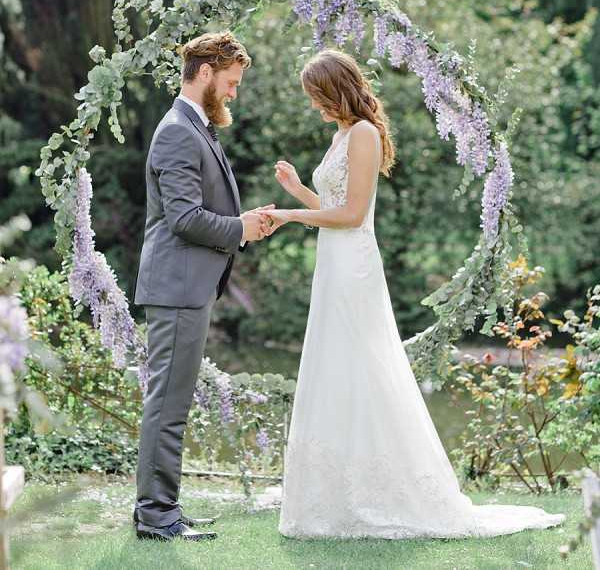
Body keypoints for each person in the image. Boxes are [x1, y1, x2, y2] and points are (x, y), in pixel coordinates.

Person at [262, 48, 566, 540]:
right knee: (336, 366)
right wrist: (298, 191)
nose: (314, 105)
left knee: (364, 365)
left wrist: (289, 216)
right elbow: (333, 208)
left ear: (336, 88)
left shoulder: (362, 134)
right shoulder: (341, 133)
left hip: (354, 266)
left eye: (317, 95)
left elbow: (353, 216)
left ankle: (387, 489)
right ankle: (337, 494)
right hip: (333, 264)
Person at [133, 31, 272, 543]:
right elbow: (185, 219)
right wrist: (242, 228)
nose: (234, 93)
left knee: (172, 402)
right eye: (231, 82)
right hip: (176, 288)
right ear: (207, 71)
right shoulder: (176, 131)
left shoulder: (195, 128)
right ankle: (155, 516)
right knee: (166, 405)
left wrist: (243, 222)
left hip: (187, 287)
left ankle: (163, 507)